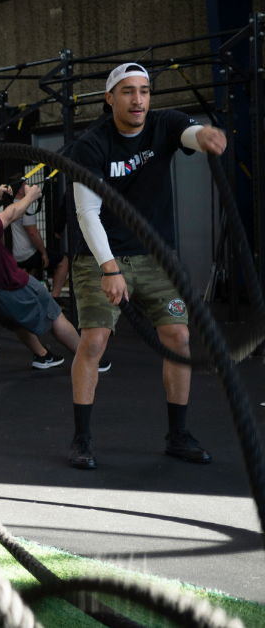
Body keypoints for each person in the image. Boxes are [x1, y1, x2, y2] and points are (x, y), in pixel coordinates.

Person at [67, 63, 226, 470]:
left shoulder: (164, 124)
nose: (138, 100)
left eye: (144, 91)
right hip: (101, 254)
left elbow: (187, 133)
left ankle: (178, 434)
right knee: (95, 342)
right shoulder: (91, 145)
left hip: (156, 256)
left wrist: (203, 135)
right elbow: (88, 213)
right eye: (127, 92)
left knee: (179, 337)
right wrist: (109, 268)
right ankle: (81, 439)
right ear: (109, 98)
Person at [0, 185, 104, 371]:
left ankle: (42, 356)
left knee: (16, 322)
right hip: (13, 285)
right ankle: (90, 359)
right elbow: (11, 213)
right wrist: (31, 196)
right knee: (55, 315)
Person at [7, 178, 68, 298]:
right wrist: (44, 253)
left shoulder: (3, 208)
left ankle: (30, 298)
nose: (28, 187)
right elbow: (33, 233)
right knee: (63, 261)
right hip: (26, 255)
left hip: (13, 256)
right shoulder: (25, 208)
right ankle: (54, 299)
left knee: (31, 268)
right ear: (20, 190)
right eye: (25, 185)